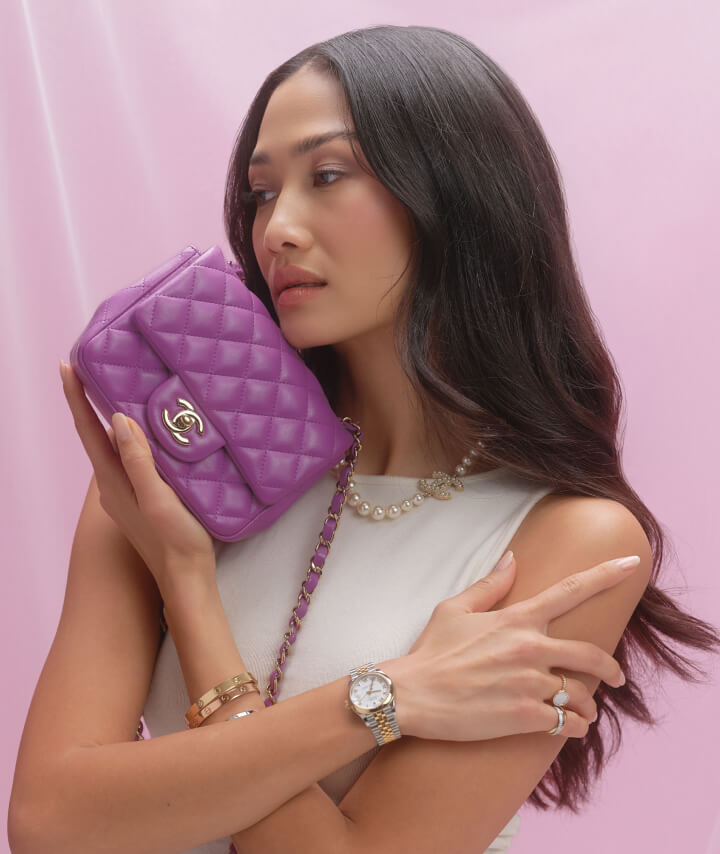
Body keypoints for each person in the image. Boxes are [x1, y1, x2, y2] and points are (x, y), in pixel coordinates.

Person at [9, 24, 719, 854]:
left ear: (458, 197)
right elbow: (48, 821)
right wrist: (387, 697)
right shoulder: (182, 466)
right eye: (262, 191)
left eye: (329, 174)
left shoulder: (573, 541)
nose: (276, 228)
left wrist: (191, 594)